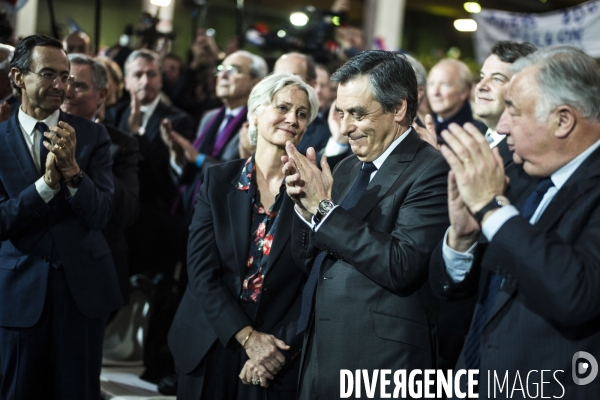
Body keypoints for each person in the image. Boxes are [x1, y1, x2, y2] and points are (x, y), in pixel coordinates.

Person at [431, 45, 600, 398]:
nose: (503, 127)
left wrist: (491, 207)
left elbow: (576, 294)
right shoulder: (519, 175)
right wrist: (462, 240)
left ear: (563, 120)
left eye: (514, 111)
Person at [283, 50, 449, 399]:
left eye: (358, 114)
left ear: (399, 108)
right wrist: (304, 209)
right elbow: (314, 261)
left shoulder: (431, 169)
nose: (345, 128)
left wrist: (324, 210)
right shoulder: (345, 168)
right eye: (341, 113)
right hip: (321, 354)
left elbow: (402, 265)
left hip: (380, 365)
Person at [168, 72, 318, 399]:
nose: (292, 118)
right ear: (255, 114)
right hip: (211, 339)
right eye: (283, 107)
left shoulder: (313, 190)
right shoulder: (218, 179)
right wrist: (248, 337)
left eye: (302, 113)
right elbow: (201, 271)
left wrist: (274, 347)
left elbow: (314, 279)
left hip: (275, 354)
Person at [0, 34, 121, 399]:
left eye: (65, 76)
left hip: (82, 292)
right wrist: (45, 187)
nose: (60, 85)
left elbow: (101, 213)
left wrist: (72, 173)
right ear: (18, 78)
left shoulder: (92, 135)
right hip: (17, 293)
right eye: (49, 74)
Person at [105, 48, 195, 277]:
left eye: (152, 74)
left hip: (154, 224)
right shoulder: (112, 115)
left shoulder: (178, 120)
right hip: (114, 220)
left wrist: (137, 135)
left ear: (160, 79)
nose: (146, 80)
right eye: (138, 75)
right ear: (126, 81)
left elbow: (166, 174)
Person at [61, 53, 139, 302]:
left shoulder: (121, 144)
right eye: (64, 81)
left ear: (102, 95)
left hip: (94, 273)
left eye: (79, 85)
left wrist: (95, 151)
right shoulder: (36, 133)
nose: (67, 92)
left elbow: (127, 212)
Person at [164, 50, 267, 220]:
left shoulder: (259, 123)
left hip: (228, 216)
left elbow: (241, 174)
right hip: (192, 209)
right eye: (221, 69)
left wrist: (198, 158)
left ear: (255, 83)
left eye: (234, 70)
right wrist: (177, 156)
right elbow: (189, 170)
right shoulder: (208, 117)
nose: (223, 75)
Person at [427, 58, 486, 136]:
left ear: (463, 92)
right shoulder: (419, 129)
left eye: (444, 84)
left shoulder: (479, 133)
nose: (435, 92)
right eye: (431, 84)